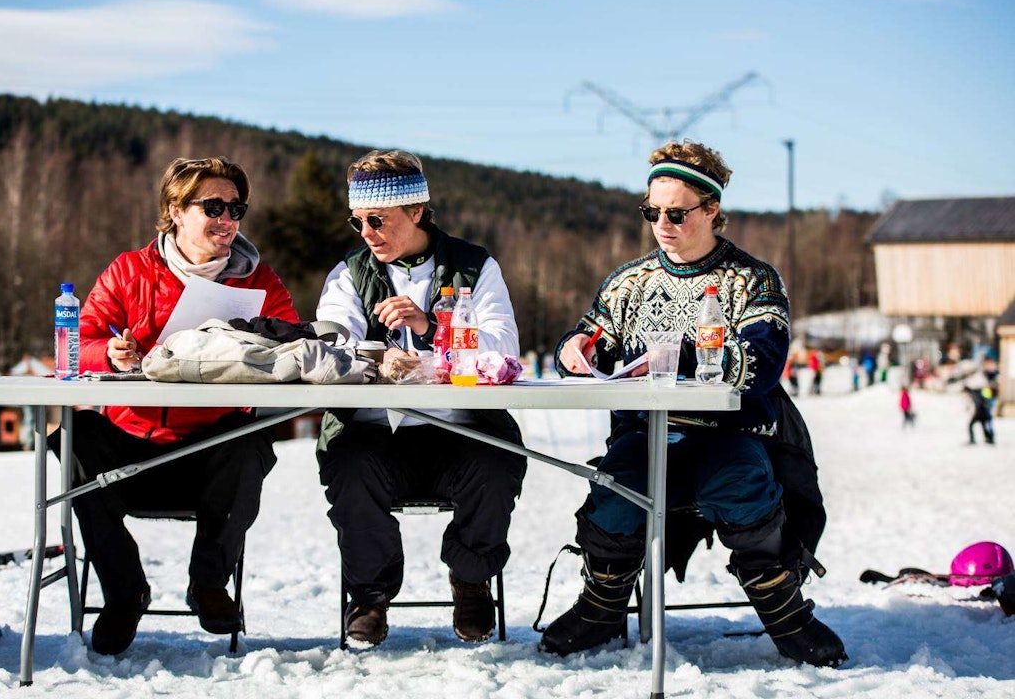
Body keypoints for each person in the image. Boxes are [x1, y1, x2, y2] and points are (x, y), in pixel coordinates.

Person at [539, 140, 846, 668]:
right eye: (651, 212)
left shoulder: (752, 280)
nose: (662, 224)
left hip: (730, 432)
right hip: (645, 433)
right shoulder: (628, 282)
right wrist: (575, 348)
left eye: (676, 213)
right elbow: (592, 340)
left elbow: (763, 360)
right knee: (615, 487)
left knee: (738, 480)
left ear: (711, 210)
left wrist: (684, 354)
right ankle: (601, 606)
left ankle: (785, 613)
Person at [53, 157, 300, 655]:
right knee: (72, 438)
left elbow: (294, 345)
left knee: (250, 441)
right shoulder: (129, 271)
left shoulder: (261, 282)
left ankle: (208, 583)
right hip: (132, 448)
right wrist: (110, 353)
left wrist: (250, 351)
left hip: (210, 454)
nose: (227, 219)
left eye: (236, 209)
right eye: (214, 207)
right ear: (175, 210)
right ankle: (124, 592)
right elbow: (79, 342)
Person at [315, 149, 527, 647]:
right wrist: (374, 359)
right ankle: (369, 596)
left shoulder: (474, 265)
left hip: (461, 428)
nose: (366, 233)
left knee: (496, 466)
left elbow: (504, 347)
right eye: (357, 221)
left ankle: (471, 581)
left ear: (416, 211)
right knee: (349, 469)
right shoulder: (349, 273)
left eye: (377, 219)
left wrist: (433, 328)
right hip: (373, 430)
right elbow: (330, 340)